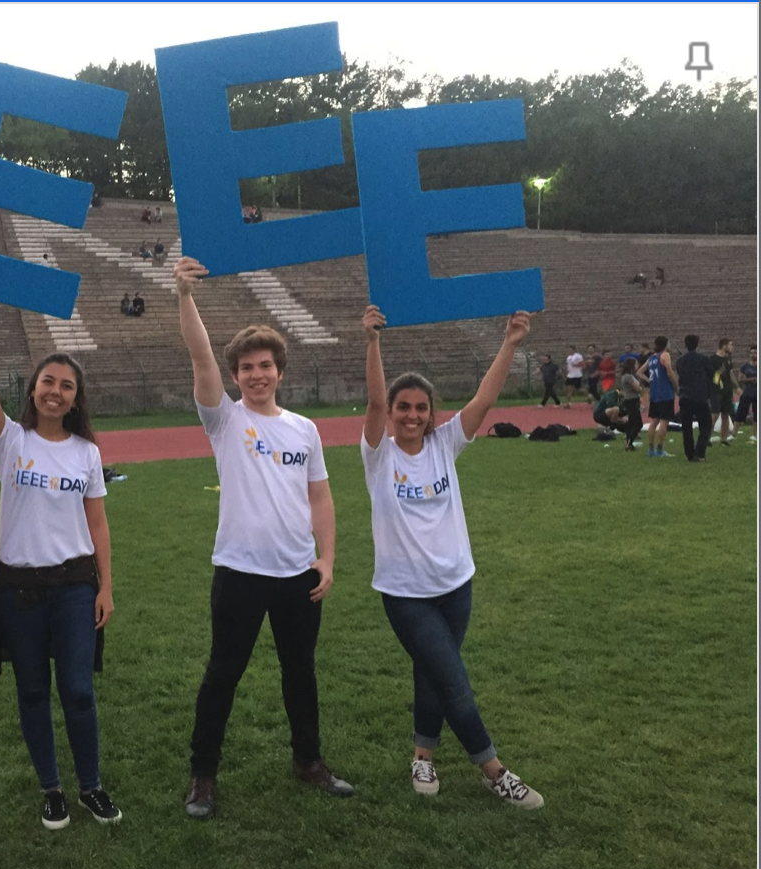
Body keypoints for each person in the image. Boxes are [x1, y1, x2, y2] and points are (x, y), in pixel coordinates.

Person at [174, 256, 349, 821]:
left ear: (280, 370)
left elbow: (319, 497)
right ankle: (203, 776)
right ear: (235, 375)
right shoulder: (225, 420)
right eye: (246, 367)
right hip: (240, 573)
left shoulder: (305, 429)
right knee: (222, 674)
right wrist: (183, 297)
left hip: (297, 573)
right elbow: (200, 356)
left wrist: (326, 559)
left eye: (265, 365)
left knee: (301, 672)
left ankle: (308, 761)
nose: (256, 374)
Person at [359, 301, 544, 809]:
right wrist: (373, 342)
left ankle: (423, 756)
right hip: (405, 594)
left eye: (421, 408)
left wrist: (509, 343)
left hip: (457, 585)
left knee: (433, 674)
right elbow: (373, 405)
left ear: (431, 414)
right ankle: (494, 770)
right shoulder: (379, 455)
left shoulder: (445, 445)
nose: (413, 416)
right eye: (404, 408)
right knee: (453, 680)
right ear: (393, 414)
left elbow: (484, 400)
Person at [0, 272, 122, 830]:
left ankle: (91, 785)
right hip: (18, 589)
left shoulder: (86, 453)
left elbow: (97, 524)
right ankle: (51, 789)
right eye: (47, 382)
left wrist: (105, 586)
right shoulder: (11, 442)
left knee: (77, 691)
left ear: (76, 399)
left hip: (75, 586)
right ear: (33, 388)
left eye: (67, 386)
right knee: (32, 691)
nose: (55, 391)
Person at [676, 334, 714, 463]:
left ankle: (690, 454)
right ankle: (700, 452)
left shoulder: (680, 361)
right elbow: (711, 374)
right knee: (706, 425)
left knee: (686, 427)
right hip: (700, 396)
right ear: (697, 344)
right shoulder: (703, 359)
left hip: (685, 396)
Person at [640, 335, 679, 457]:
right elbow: (670, 372)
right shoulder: (665, 355)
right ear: (665, 344)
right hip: (665, 393)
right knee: (664, 421)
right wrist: (676, 386)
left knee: (654, 421)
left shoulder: (651, 358)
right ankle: (660, 449)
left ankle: (650, 449)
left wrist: (650, 380)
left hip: (655, 393)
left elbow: (639, 372)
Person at [709, 339, 736, 444]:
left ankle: (723, 439)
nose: (732, 347)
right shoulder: (713, 359)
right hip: (716, 390)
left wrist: (737, 387)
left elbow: (731, 374)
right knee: (715, 414)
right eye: (730, 345)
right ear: (724, 346)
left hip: (727, 390)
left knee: (726, 414)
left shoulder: (728, 359)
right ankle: (707, 437)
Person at [619, 359, 644, 451]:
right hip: (632, 400)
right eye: (636, 364)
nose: (637, 365)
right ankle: (629, 443)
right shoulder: (628, 377)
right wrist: (641, 387)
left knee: (631, 423)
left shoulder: (625, 376)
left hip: (630, 400)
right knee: (638, 423)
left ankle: (629, 443)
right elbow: (637, 389)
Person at [735, 345, 757, 428]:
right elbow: (740, 378)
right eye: (751, 353)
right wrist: (751, 379)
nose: (753, 355)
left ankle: (755, 435)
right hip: (747, 392)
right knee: (740, 413)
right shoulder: (745, 366)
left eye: (755, 353)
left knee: (757, 415)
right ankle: (734, 434)